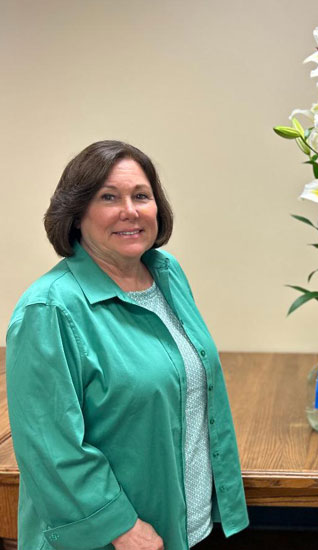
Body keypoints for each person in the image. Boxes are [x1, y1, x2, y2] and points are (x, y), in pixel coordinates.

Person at [6, 140, 249, 550]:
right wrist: (120, 527)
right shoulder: (48, 309)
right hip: (119, 540)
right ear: (77, 214)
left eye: (141, 195)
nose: (130, 211)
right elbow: (51, 448)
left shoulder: (166, 274)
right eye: (108, 198)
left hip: (192, 525)